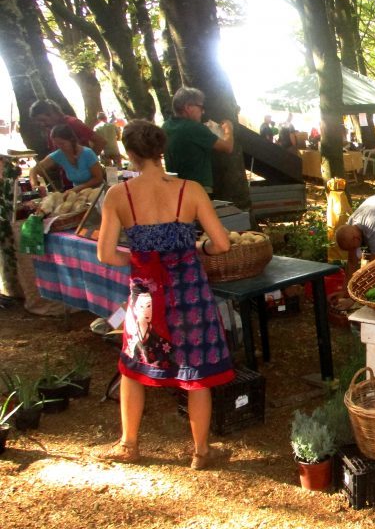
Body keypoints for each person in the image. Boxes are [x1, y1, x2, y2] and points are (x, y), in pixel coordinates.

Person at [95, 119, 233, 469]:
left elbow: (106, 255)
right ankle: (201, 451)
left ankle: (129, 445)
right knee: (196, 369)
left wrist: (141, 259)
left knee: (132, 365)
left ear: (129, 152)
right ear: (161, 150)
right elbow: (222, 243)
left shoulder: (118, 195)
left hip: (147, 293)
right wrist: (198, 247)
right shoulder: (191, 189)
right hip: (190, 293)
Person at [162, 87, 234, 195]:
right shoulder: (194, 128)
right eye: (201, 107)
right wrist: (229, 129)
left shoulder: (166, 126)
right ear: (188, 107)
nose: (203, 111)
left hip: (176, 188)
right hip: (197, 189)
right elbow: (227, 147)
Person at [29, 124, 103, 192]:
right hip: (77, 194)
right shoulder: (59, 154)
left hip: (96, 192)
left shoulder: (87, 153)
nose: (59, 147)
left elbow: (98, 178)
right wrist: (35, 186)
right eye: (56, 144)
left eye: (62, 143)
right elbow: (34, 170)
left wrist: (78, 188)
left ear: (71, 140)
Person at [29, 99, 106, 156]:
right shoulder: (51, 130)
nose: (42, 124)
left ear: (52, 113)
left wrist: (89, 162)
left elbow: (100, 141)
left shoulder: (73, 123)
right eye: (39, 123)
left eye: (43, 120)